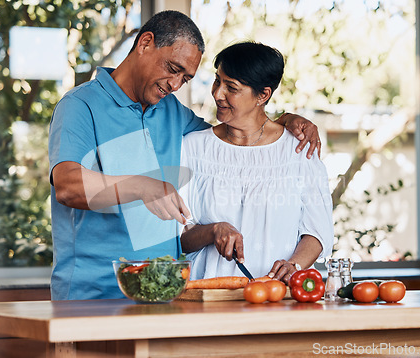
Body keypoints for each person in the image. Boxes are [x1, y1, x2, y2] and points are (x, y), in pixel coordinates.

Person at [48, 10, 321, 300]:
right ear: (145, 43)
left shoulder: (171, 112)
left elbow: (234, 136)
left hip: (162, 293)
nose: (175, 85)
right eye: (172, 67)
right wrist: (143, 186)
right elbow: (67, 186)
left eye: (185, 78)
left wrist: (285, 121)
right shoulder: (80, 106)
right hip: (92, 294)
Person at [179, 42, 334, 284]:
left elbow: (317, 231)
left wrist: (295, 265)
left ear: (263, 95)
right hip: (207, 296)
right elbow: (179, 237)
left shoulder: (299, 149)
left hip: (276, 296)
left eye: (232, 87)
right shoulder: (192, 147)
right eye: (217, 81)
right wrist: (213, 230)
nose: (218, 93)